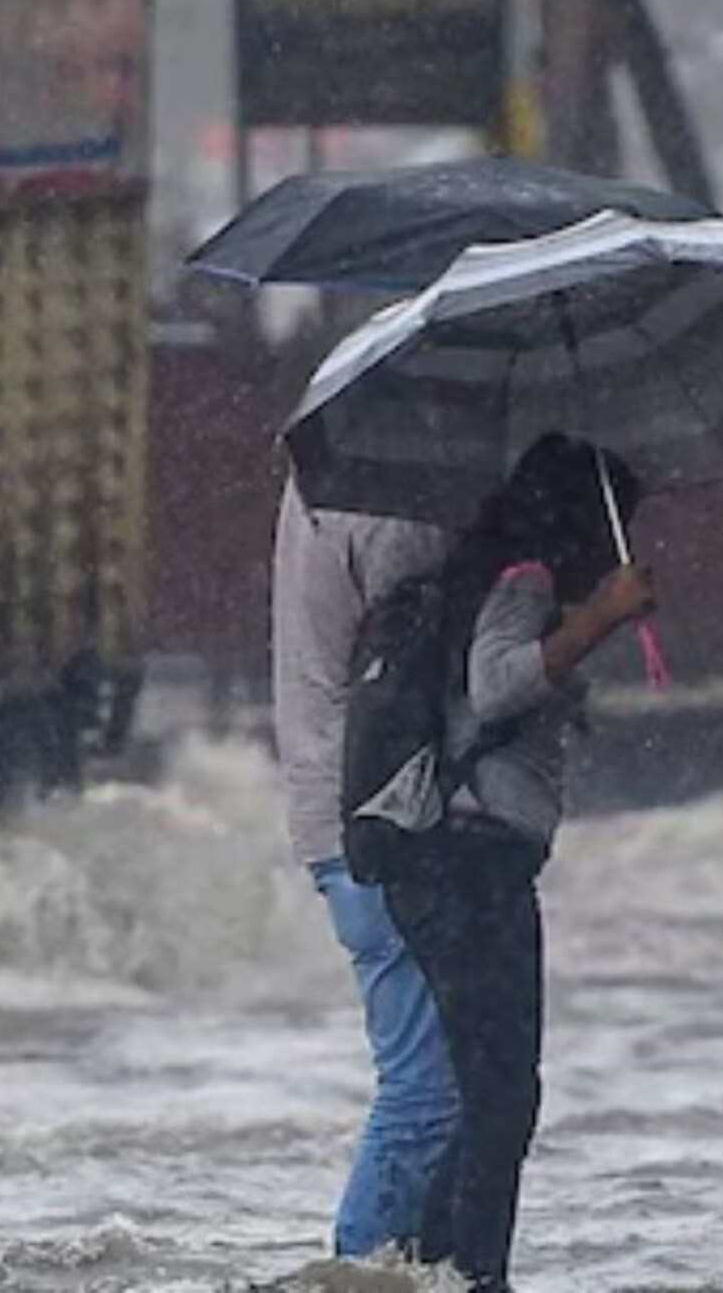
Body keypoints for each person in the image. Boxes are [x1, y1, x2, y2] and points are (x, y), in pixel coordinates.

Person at [384, 433, 656, 1293]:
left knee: (490, 1090)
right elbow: (499, 684)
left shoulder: (502, 575)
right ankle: (471, 1276)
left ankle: (428, 1269)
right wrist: (602, 616)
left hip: (464, 865)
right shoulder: (524, 578)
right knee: (503, 1096)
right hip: (474, 865)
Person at [271, 472, 459, 1257]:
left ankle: (399, 1267)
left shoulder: (319, 483)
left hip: (337, 812)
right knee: (426, 1094)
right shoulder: (386, 511)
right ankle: (355, 1271)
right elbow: (427, 637)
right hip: (371, 821)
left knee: (430, 1088)